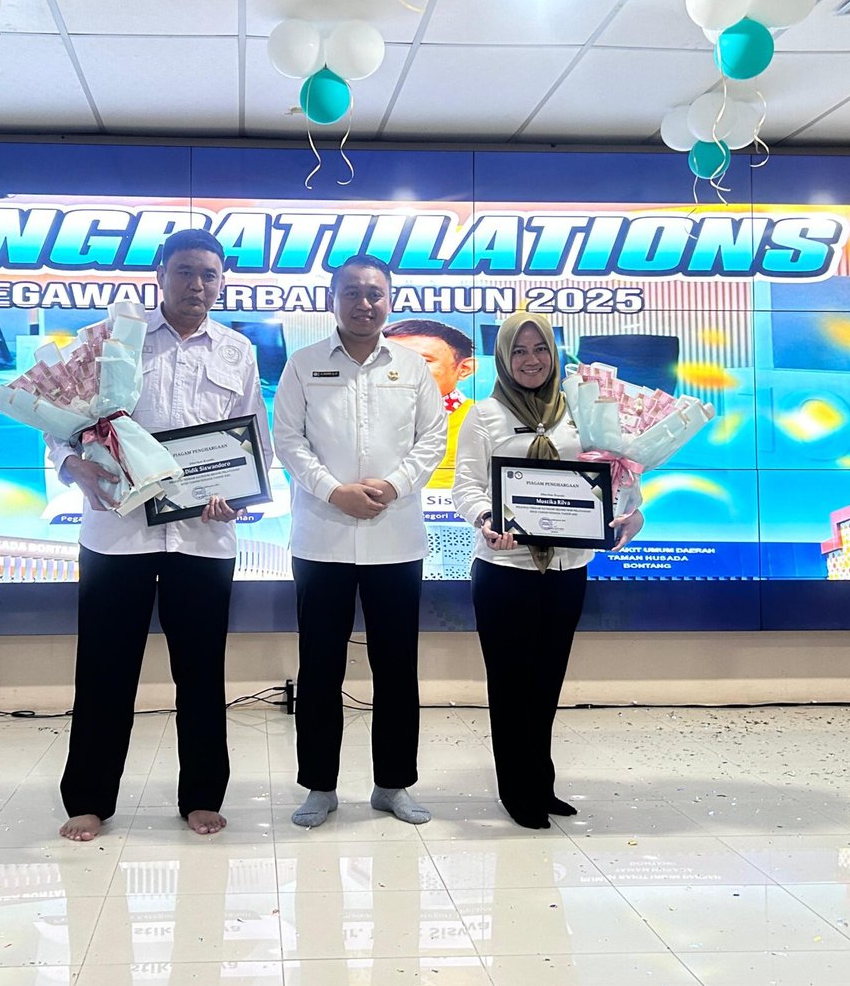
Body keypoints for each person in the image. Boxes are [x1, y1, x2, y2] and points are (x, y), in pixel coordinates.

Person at [49, 228, 271, 842]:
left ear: (221, 282)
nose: (197, 285)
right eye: (185, 272)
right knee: (104, 671)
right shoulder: (111, 340)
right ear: (159, 275)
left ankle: (202, 795)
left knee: (201, 673)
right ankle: (88, 800)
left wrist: (243, 494)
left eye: (209, 275)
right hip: (116, 534)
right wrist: (71, 465)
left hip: (201, 538)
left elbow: (252, 434)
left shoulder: (237, 351)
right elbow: (57, 418)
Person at [272, 255, 448, 828]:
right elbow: (287, 440)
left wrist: (393, 485)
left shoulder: (412, 367)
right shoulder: (303, 365)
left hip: (395, 541)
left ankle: (393, 784)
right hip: (321, 540)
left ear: (389, 300)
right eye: (351, 292)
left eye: (374, 293)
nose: (364, 303)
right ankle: (319, 786)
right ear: (333, 300)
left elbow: (433, 439)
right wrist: (333, 491)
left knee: (396, 668)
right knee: (319, 668)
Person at [451, 311, 644, 830]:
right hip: (504, 569)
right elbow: (465, 485)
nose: (530, 360)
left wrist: (634, 512)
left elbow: (618, 473)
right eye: (519, 350)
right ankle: (516, 791)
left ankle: (541, 782)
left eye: (540, 349)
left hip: (567, 569)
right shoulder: (484, 415)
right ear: (503, 358)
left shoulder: (581, 411)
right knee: (509, 684)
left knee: (546, 681)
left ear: (554, 355)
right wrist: (487, 518)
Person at [384, 319, 477, 491]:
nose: (401, 370)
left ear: (464, 369)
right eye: (389, 359)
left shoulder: (482, 419)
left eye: (423, 360)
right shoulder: (355, 416)